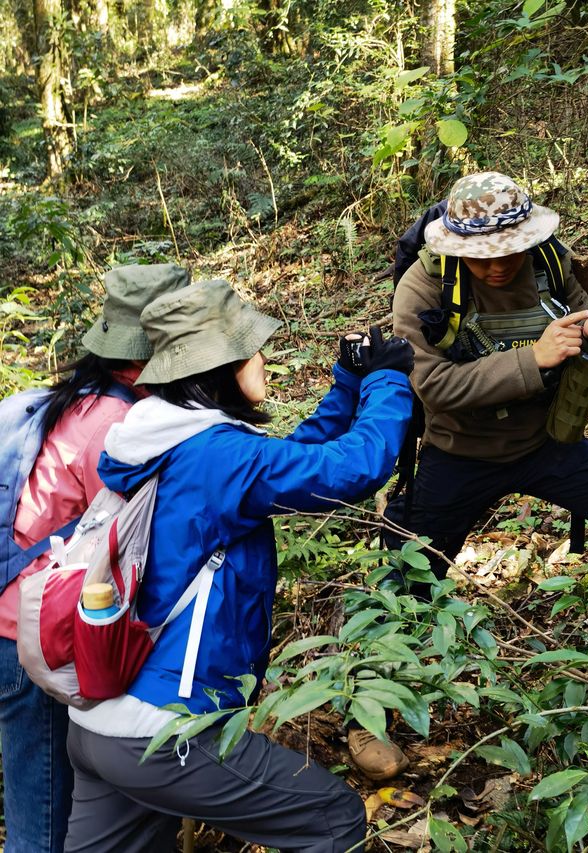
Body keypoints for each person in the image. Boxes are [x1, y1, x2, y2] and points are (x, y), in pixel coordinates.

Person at [63, 277, 415, 853]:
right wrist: (386, 379)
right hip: (167, 727)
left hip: (101, 725)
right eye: (254, 348)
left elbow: (290, 460)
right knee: (334, 819)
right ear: (221, 364)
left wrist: (349, 383)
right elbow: (353, 469)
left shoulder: (166, 438)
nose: (265, 357)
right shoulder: (218, 455)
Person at [0, 263, 189, 853]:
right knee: (46, 821)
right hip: (39, 642)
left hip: (16, 624)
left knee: (42, 798)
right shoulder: (122, 425)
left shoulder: (71, 401)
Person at [387, 171, 588, 587]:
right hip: (459, 451)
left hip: (547, 443)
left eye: (512, 251)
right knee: (406, 571)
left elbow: (584, 340)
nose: (499, 265)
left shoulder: (553, 263)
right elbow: (431, 385)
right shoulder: (424, 285)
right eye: (483, 255)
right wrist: (533, 359)